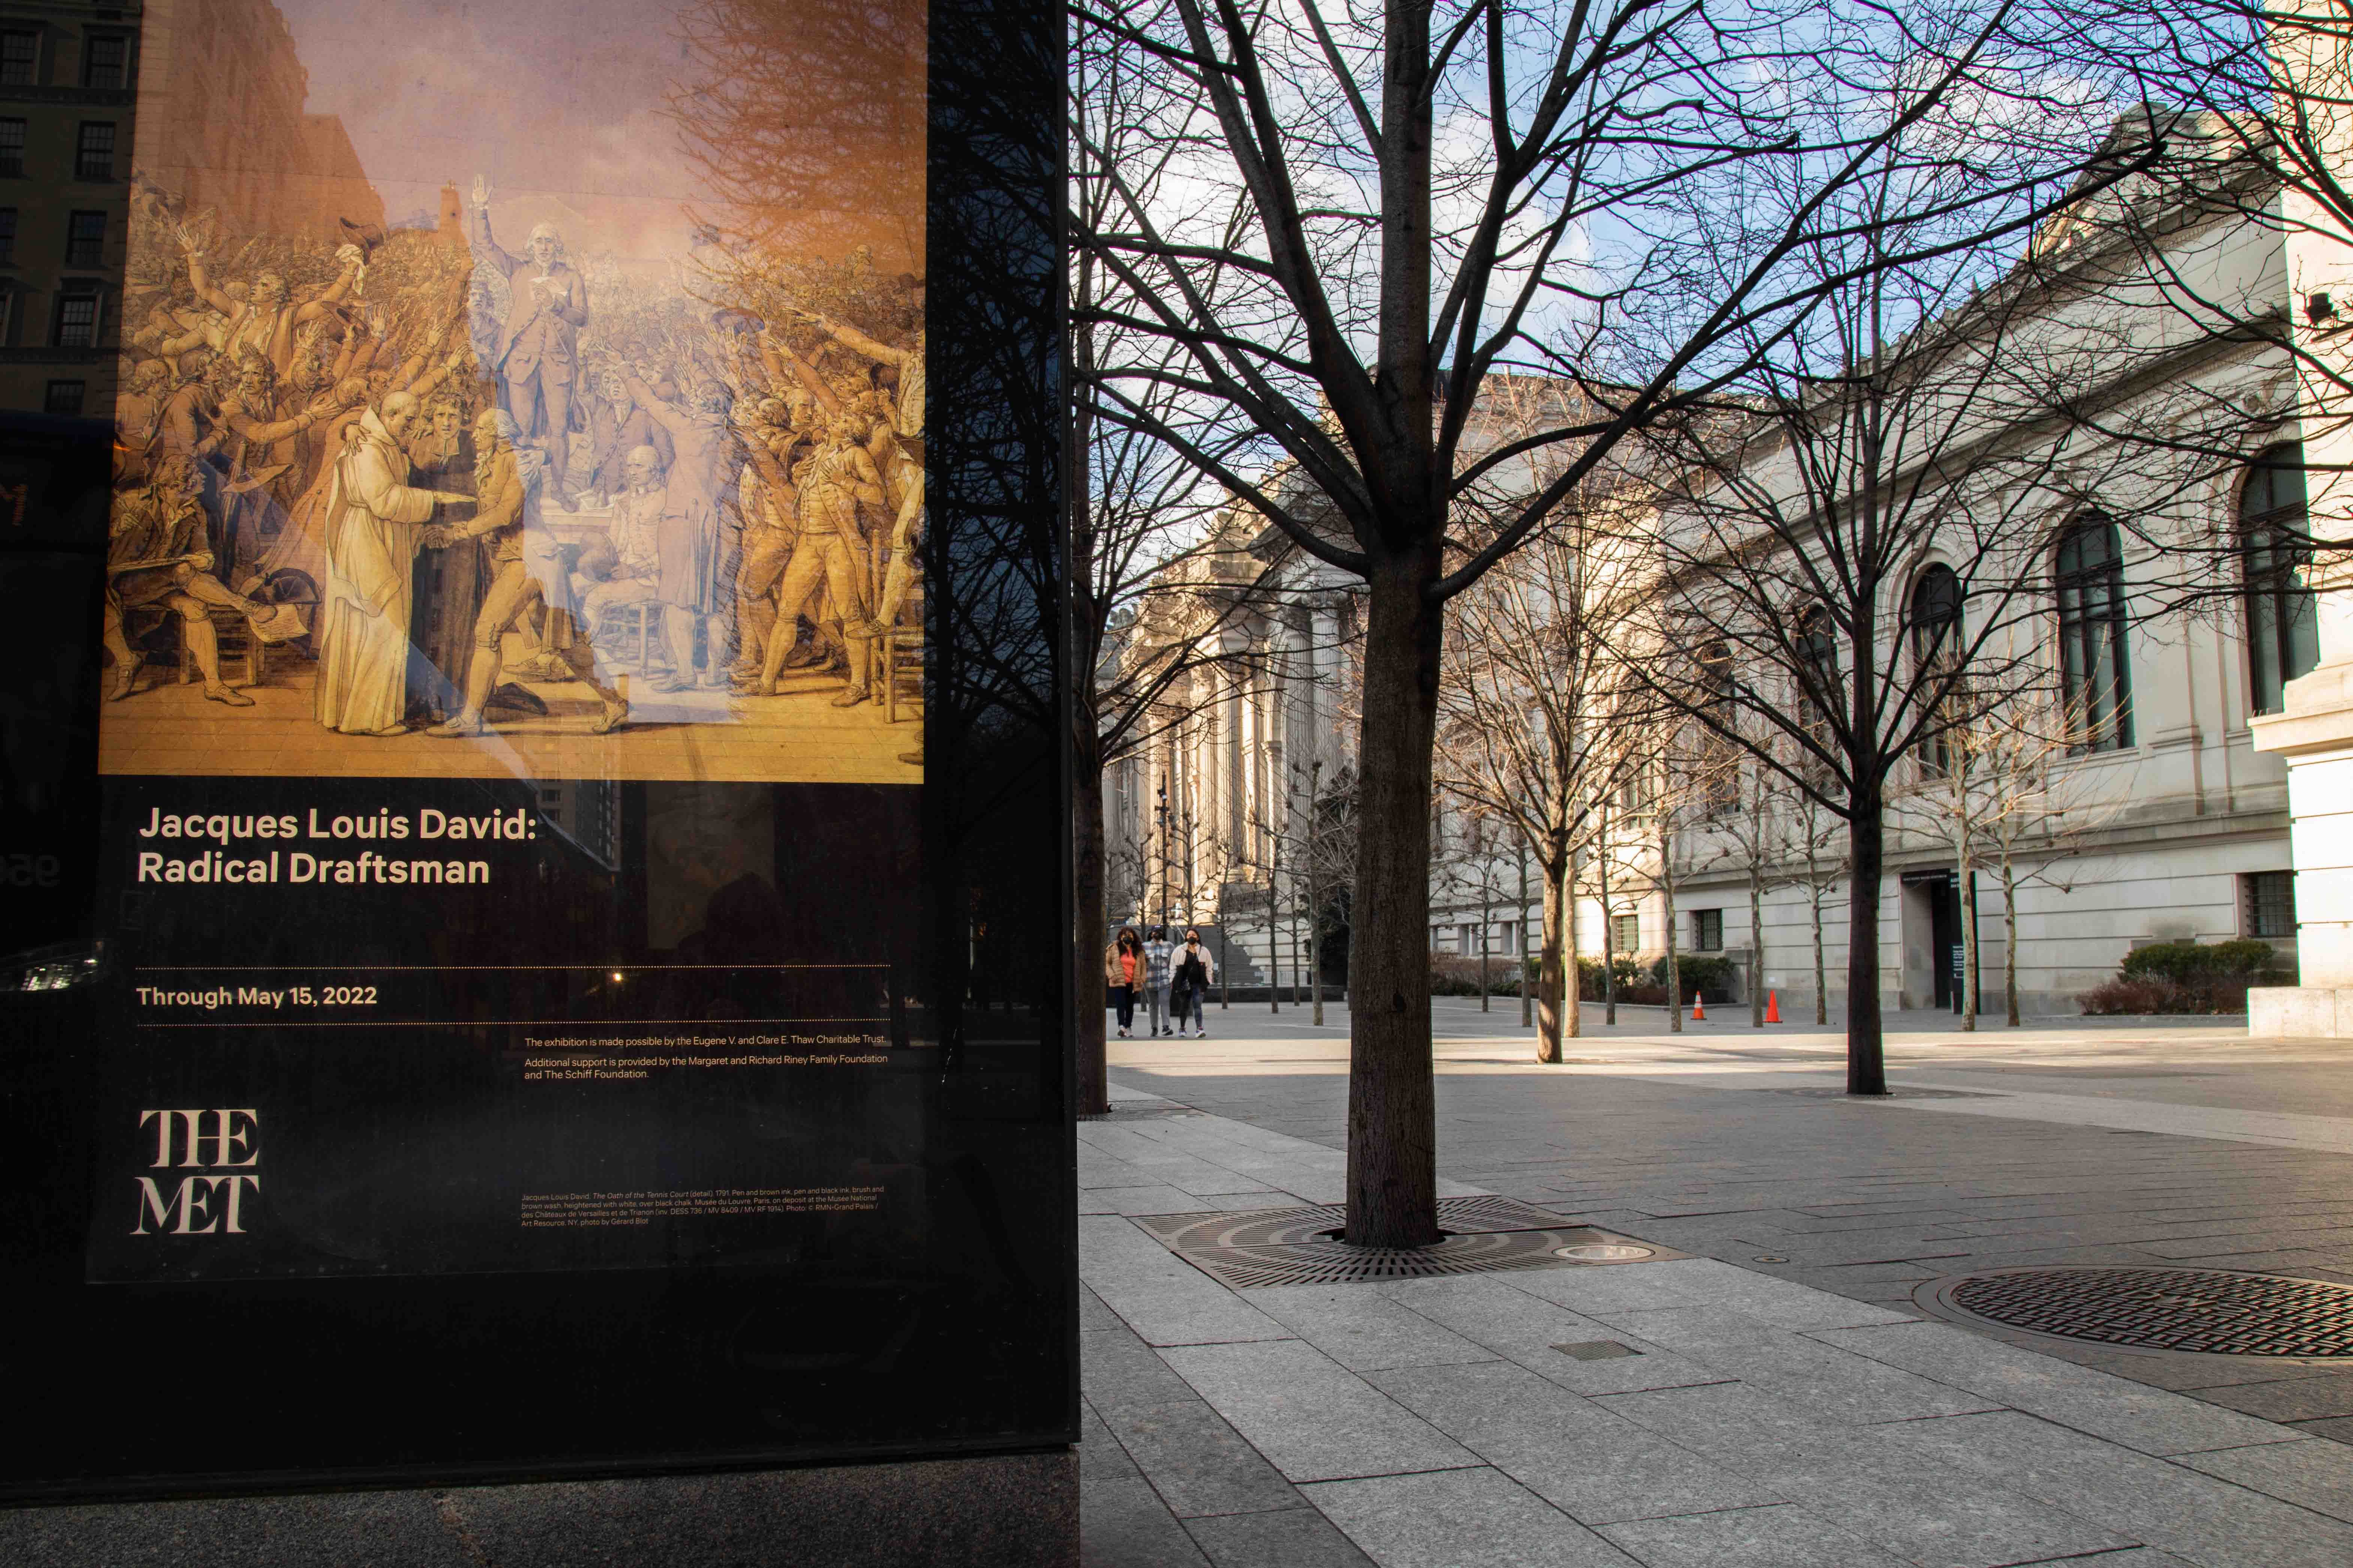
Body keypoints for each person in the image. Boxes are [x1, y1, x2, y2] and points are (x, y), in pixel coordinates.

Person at [426, 408, 628, 738]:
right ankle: (615, 703)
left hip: (531, 558)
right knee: (564, 644)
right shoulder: (495, 460)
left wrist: (457, 532)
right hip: (512, 556)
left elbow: (506, 512)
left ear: (498, 433)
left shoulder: (519, 461)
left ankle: (470, 719)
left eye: (481, 430)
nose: (474, 435)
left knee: (487, 631)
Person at [312, 392, 473, 735]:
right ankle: (369, 719)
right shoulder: (369, 448)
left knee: (378, 625)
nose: (413, 427)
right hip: (369, 540)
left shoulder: (384, 444)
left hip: (382, 536)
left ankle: (364, 715)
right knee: (383, 624)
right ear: (389, 414)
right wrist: (435, 500)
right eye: (408, 420)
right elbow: (384, 500)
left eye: (416, 420)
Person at [467, 177, 588, 482]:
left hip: (558, 363)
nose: (544, 247)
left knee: (559, 431)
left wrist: (558, 307)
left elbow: (582, 317)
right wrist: (480, 208)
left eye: (549, 241)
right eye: (539, 241)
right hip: (522, 361)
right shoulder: (518, 271)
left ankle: (560, 490)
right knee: (519, 430)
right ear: (530, 246)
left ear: (557, 246)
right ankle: (519, 492)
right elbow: (485, 246)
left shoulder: (571, 276)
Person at [1173, 929, 1215, 1039]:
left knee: (1198, 1006)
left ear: (1198, 937)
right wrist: (1173, 980)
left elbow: (1210, 966)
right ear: (1186, 937)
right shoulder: (1180, 950)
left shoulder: (1204, 951)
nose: (1191, 936)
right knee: (1184, 1007)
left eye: (1194, 935)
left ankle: (1199, 1029)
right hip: (1184, 984)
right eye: (1189, 935)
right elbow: (1173, 966)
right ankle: (1182, 1028)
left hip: (1199, 984)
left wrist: (1208, 981)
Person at [1105, 927, 1143, 1040]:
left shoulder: (1138, 950)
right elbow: (1107, 963)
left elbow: (1143, 967)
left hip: (1133, 982)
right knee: (1121, 1004)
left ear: (1134, 937)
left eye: (1130, 935)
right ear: (1121, 937)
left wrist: (1142, 979)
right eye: (1125, 935)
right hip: (1119, 982)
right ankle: (1122, 1027)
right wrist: (1112, 975)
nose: (1127, 937)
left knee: (1130, 1006)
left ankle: (1128, 1026)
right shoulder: (1114, 948)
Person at [1142, 926, 1175, 1038]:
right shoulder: (1144, 947)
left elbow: (1173, 963)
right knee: (1153, 1005)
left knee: (1165, 1003)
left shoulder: (1169, 946)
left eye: (1160, 931)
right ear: (1152, 934)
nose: (1158, 934)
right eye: (1156, 932)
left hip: (1165, 981)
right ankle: (1154, 1027)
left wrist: (1173, 977)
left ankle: (1166, 1027)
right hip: (1149, 981)